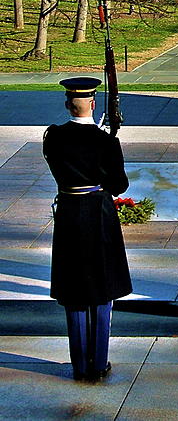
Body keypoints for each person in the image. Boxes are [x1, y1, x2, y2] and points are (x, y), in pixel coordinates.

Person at [43, 77, 132, 382]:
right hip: (98, 214)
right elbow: (119, 185)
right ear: (93, 103)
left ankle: (80, 365)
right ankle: (100, 361)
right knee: (102, 287)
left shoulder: (52, 137)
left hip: (69, 213)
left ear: (68, 103)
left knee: (74, 289)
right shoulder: (104, 141)